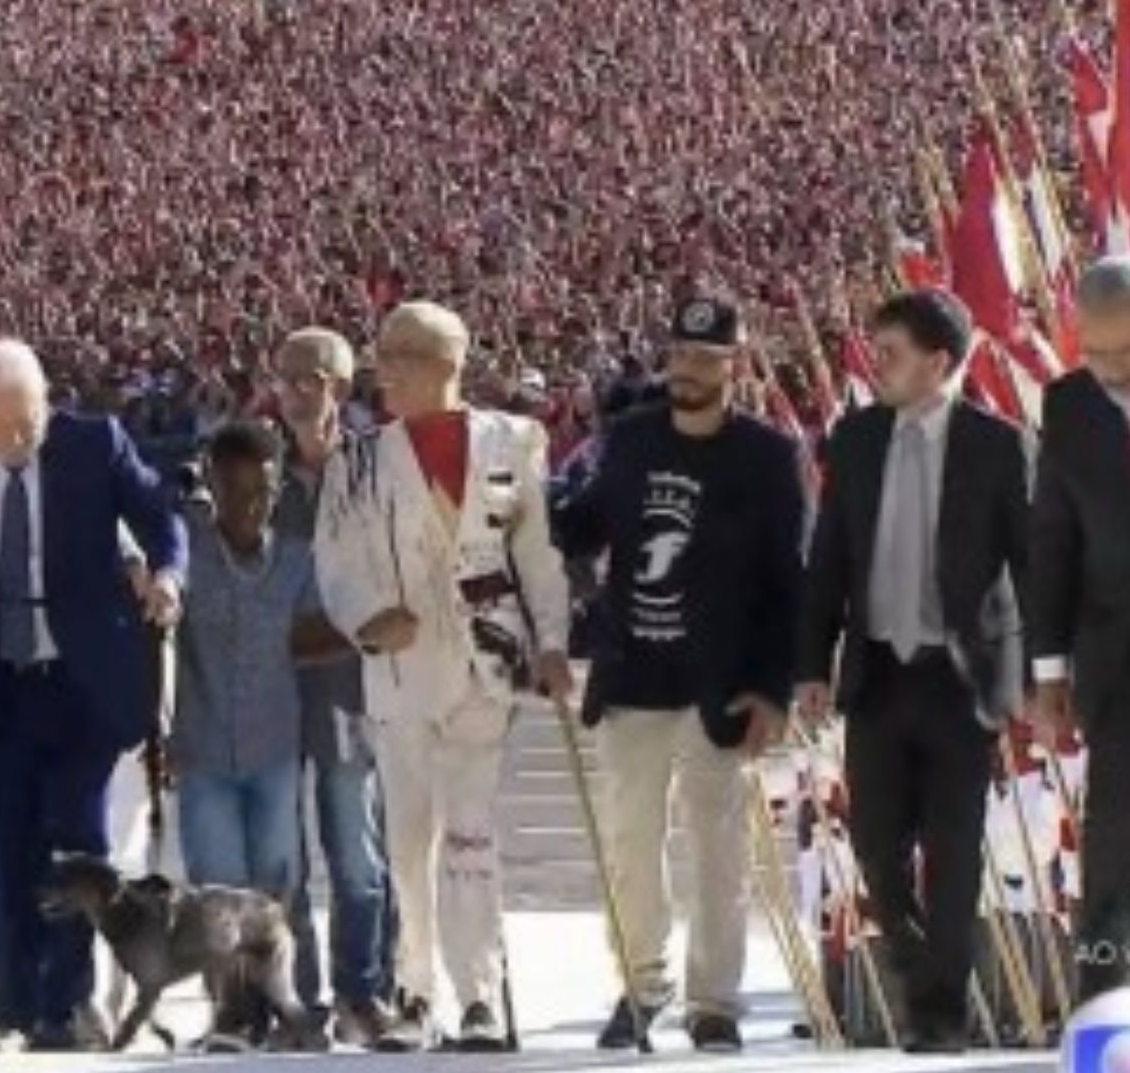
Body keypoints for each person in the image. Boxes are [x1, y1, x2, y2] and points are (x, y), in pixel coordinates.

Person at [0, 339, 186, 1054]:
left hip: (81, 678)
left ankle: (68, 1004)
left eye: (28, 420)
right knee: (6, 850)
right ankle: (14, 1011)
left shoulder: (96, 443)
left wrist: (166, 575)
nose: (17, 439)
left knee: (81, 845)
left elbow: (161, 518)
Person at [315, 302, 573, 1052]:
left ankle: (480, 995)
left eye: (398, 357)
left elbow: (539, 554)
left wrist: (552, 643)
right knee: (407, 842)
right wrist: (367, 618)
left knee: (470, 837)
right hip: (398, 673)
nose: (381, 371)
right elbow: (335, 560)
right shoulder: (357, 459)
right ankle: (414, 991)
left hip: (484, 665)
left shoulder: (514, 441)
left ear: (443, 366)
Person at [553, 294, 805, 1053]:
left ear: (735, 365)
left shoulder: (766, 456)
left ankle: (714, 1001)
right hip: (633, 675)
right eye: (680, 355)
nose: (688, 371)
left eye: (705, 358)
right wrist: (534, 505)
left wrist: (773, 688)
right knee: (629, 846)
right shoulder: (629, 439)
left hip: (720, 682)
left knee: (716, 846)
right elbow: (589, 523)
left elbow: (786, 582)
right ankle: (641, 984)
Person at [797, 290, 1029, 1053]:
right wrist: (812, 662)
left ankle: (940, 1018)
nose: (877, 363)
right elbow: (828, 556)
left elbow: (1029, 563)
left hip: (961, 676)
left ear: (938, 361)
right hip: (878, 671)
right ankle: (916, 965)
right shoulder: (858, 439)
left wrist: (1040, 674)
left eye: (891, 352)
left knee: (954, 852)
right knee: (874, 844)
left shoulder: (996, 445)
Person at [171, 420, 344, 1051]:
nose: (249, 505)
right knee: (217, 893)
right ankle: (232, 1015)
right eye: (235, 490)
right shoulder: (183, 551)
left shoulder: (298, 561)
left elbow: (315, 635)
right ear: (211, 486)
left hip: (275, 744)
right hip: (203, 746)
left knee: (279, 884)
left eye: (262, 493)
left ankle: (296, 1011)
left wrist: (370, 629)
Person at [268, 327, 396, 1048]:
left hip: (356, 688)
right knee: (283, 860)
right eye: (282, 378)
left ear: (340, 390)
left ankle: (363, 991)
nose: (289, 393)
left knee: (357, 855)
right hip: (277, 691)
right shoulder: (258, 470)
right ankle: (297, 1000)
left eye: (306, 379)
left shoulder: (378, 470)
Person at [1030, 257, 1130, 1002]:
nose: (1111, 369)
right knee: (1115, 835)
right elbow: (1054, 540)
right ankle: (1103, 993)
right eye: (1095, 352)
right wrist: (1050, 671)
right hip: (1114, 654)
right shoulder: (1068, 406)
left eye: (1126, 352)